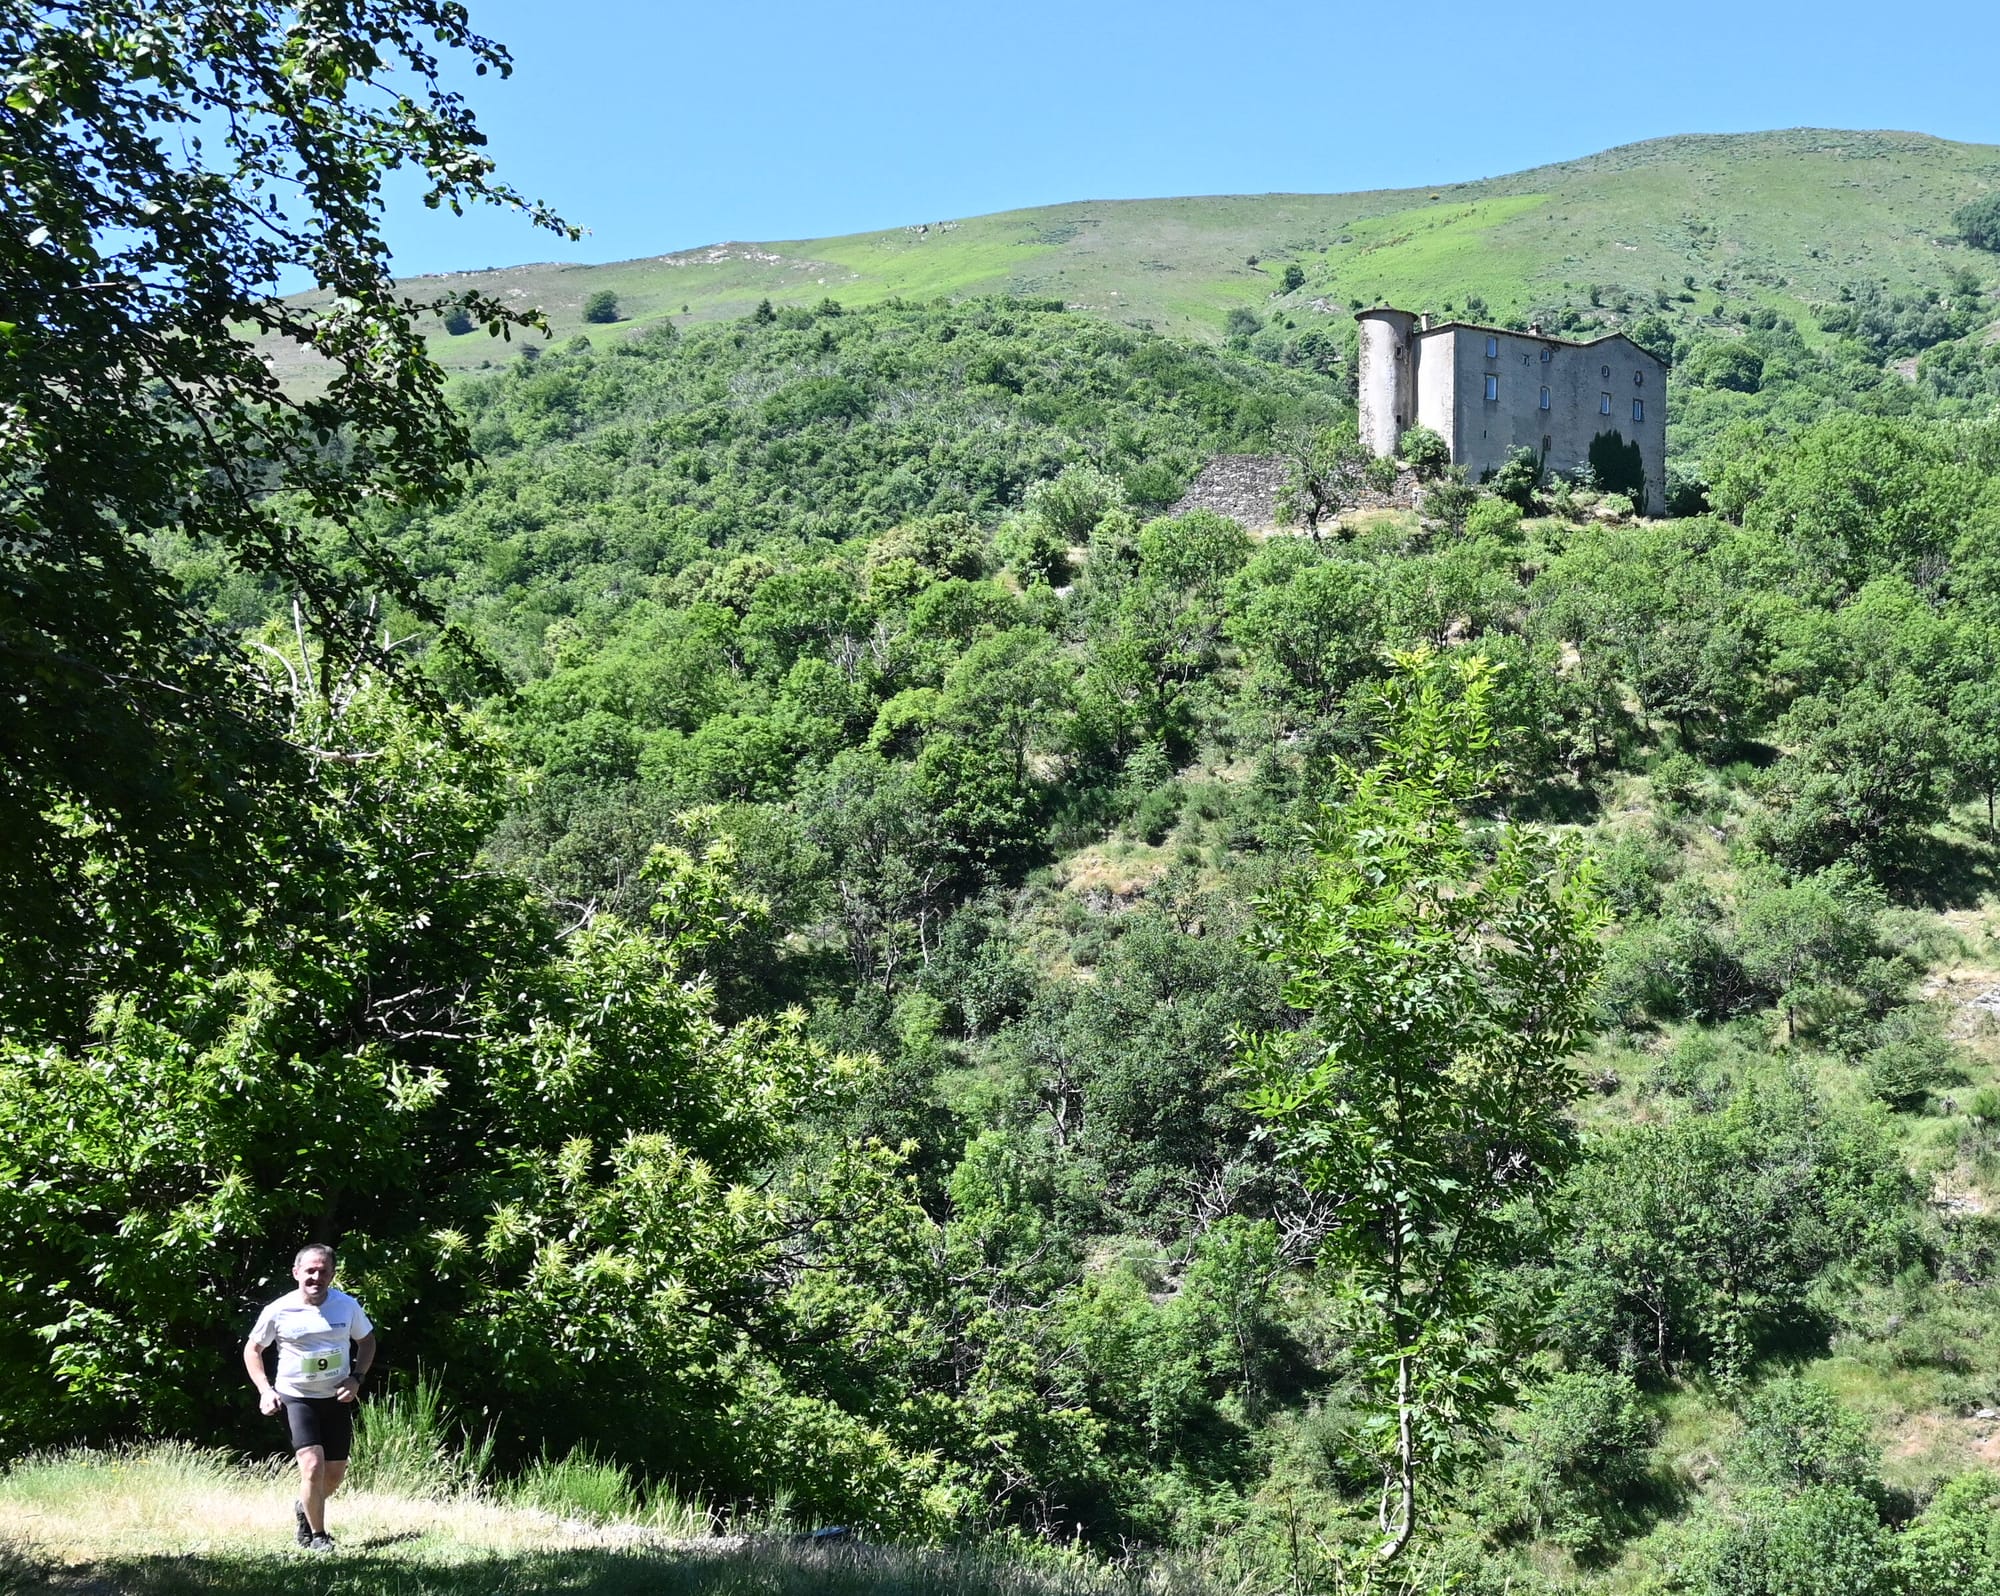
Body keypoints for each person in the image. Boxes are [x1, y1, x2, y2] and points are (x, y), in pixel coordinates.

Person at [243, 1243, 377, 1552]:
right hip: (297, 1398)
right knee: (312, 1467)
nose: (316, 1277)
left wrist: (356, 1378)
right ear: (296, 1273)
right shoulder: (278, 1309)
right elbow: (253, 1349)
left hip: (336, 1398)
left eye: (323, 1272)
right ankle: (318, 1537)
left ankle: (306, 1506)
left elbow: (367, 1341)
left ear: (332, 1275)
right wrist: (265, 1390)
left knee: (333, 1476)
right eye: (310, 1271)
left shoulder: (347, 1306)